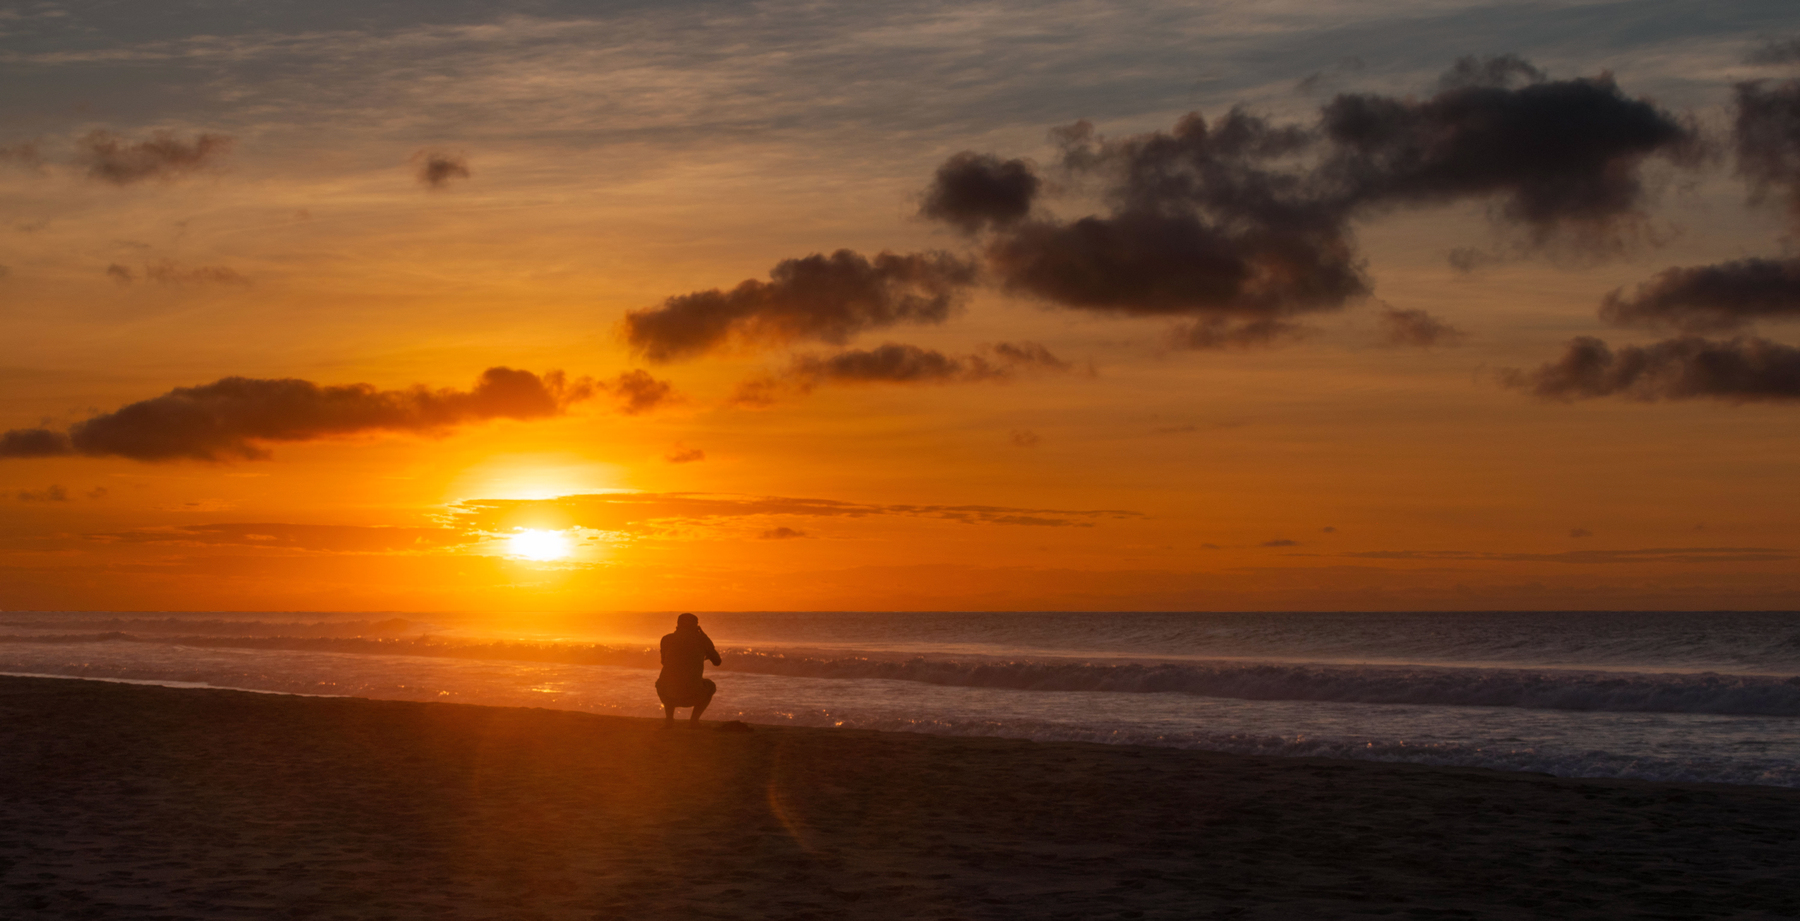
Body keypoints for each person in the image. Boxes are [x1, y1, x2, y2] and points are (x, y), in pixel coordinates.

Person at [656, 612, 721, 728]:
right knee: (711, 686)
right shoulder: (702, 640)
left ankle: (669, 720)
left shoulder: (666, 639)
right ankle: (694, 721)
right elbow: (717, 662)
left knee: (665, 681)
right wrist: (704, 637)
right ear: (696, 626)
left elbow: (664, 662)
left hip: (667, 694)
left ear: (677, 625)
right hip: (691, 695)